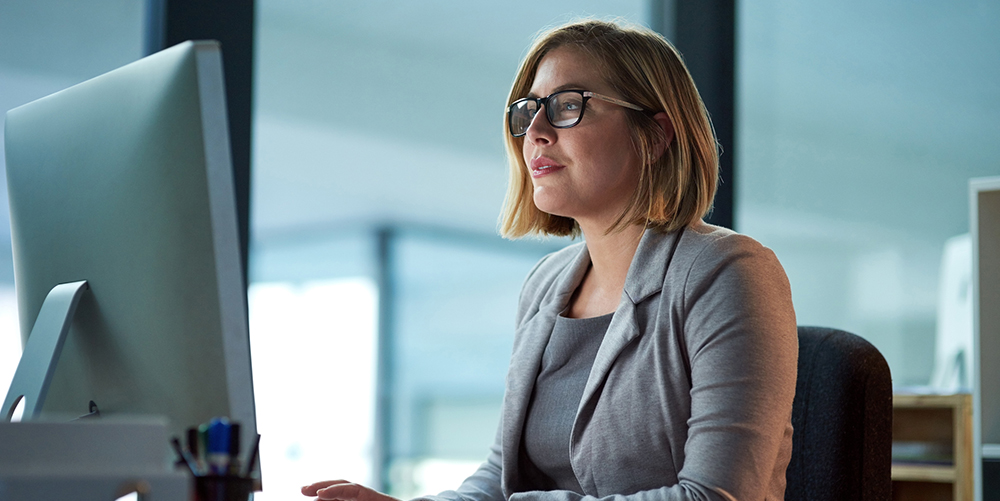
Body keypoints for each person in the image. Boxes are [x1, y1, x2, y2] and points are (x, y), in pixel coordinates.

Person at [304, 18, 797, 501]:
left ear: (655, 135)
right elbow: (500, 475)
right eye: (529, 110)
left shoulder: (727, 273)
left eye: (567, 106)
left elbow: (717, 496)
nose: (534, 131)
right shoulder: (546, 284)